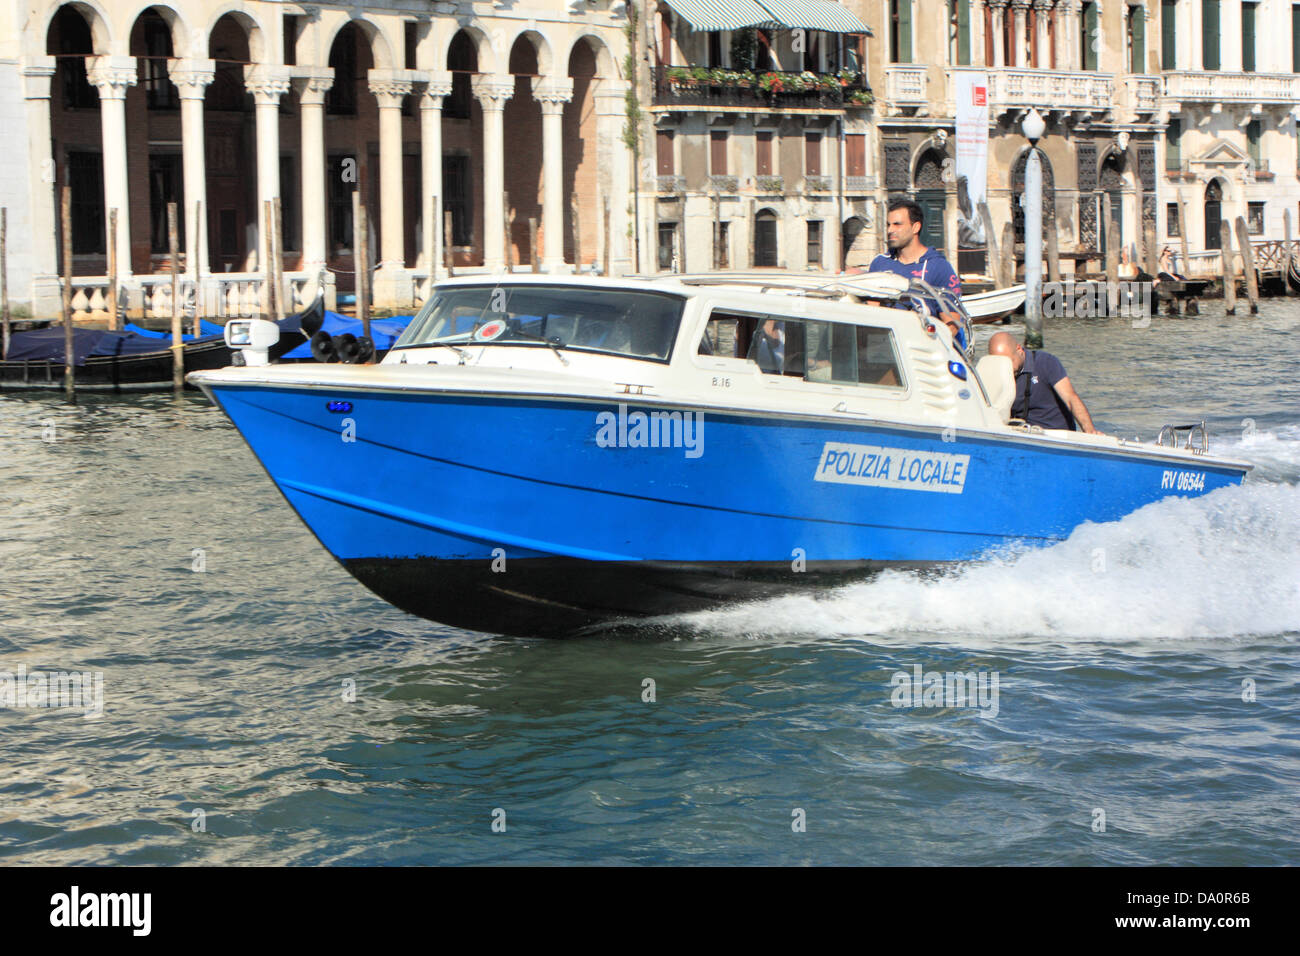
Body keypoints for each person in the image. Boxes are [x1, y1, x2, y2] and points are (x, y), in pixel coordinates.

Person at [868, 198, 964, 339]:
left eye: (897, 225)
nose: (890, 230)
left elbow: (952, 324)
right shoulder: (880, 263)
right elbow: (871, 311)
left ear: (915, 227)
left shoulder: (938, 267)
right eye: (888, 225)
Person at [986, 331, 1100, 434]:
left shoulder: (1046, 362)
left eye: (1010, 361)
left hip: (1055, 435)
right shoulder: (994, 373)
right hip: (1021, 434)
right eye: (1000, 363)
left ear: (1019, 349)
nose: (1007, 368)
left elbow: (1071, 398)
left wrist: (1089, 429)